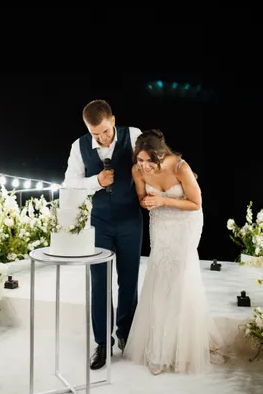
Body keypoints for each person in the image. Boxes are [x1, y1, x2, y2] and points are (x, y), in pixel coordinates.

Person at [124, 129, 223, 375]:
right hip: (160, 224)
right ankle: (158, 349)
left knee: (181, 277)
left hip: (186, 222)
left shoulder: (180, 167)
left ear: (159, 156)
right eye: (140, 160)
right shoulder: (136, 170)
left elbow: (196, 203)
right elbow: (141, 198)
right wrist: (147, 201)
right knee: (159, 276)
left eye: (149, 161)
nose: (144, 166)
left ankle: (184, 344)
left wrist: (163, 201)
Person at [63, 100, 143, 370]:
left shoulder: (133, 135)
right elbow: (69, 185)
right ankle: (102, 343)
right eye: (95, 134)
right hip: (99, 222)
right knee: (100, 282)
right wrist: (95, 181)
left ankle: (126, 334)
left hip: (131, 218)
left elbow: (151, 165)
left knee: (129, 278)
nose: (101, 138)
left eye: (106, 132)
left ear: (113, 120)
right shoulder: (79, 146)